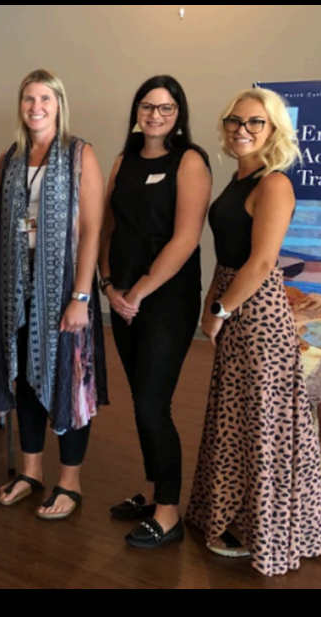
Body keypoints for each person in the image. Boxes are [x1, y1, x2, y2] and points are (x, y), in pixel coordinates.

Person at [186, 87, 321, 576]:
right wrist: (217, 302)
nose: (242, 130)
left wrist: (220, 311)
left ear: (274, 130)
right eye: (234, 121)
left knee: (262, 423)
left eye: (255, 123)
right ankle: (229, 511)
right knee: (236, 414)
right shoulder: (238, 178)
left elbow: (264, 262)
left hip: (258, 312)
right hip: (234, 300)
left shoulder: (274, 184)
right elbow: (230, 255)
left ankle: (263, 530)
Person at [0, 69, 107, 521]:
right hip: (16, 287)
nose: (36, 107)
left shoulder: (79, 155)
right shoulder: (11, 158)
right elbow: (4, 229)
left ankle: (69, 482)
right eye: (28, 99)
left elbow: (93, 229)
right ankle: (31, 472)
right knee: (23, 378)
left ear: (58, 104)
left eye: (45, 99)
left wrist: (80, 296)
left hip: (63, 288)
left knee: (69, 380)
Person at [98, 76, 212, 548]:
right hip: (122, 296)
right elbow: (106, 225)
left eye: (165, 108)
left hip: (165, 298)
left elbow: (185, 239)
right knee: (141, 397)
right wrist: (108, 284)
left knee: (152, 403)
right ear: (137, 111)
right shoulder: (123, 159)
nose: (155, 115)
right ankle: (150, 491)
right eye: (147, 106)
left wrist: (140, 291)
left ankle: (168, 512)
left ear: (179, 114)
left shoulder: (190, 161)